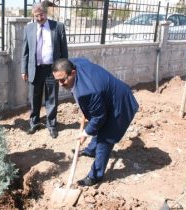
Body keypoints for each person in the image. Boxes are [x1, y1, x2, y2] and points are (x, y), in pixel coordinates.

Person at [52, 58, 139, 186]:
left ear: (73, 73)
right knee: (98, 125)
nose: (60, 84)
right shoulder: (75, 63)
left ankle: (95, 176)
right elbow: (83, 60)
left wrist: (85, 133)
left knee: (105, 138)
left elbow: (99, 118)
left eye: (63, 79)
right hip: (106, 96)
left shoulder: (87, 92)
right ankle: (91, 150)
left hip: (120, 104)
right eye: (57, 80)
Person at [21, 2, 68, 139]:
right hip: (34, 69)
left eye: (41, 14)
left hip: (52, 70)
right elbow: (25, 51)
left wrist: (64, 70)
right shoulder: (28, 28)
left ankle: (51, 124)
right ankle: (34, 122)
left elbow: (64, 51)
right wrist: (24, 70)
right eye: (36, 15)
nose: (39, 18)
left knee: (52, 98)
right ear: (33, 15)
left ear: (46, 13)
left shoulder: (58, 27)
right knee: (34, 98)